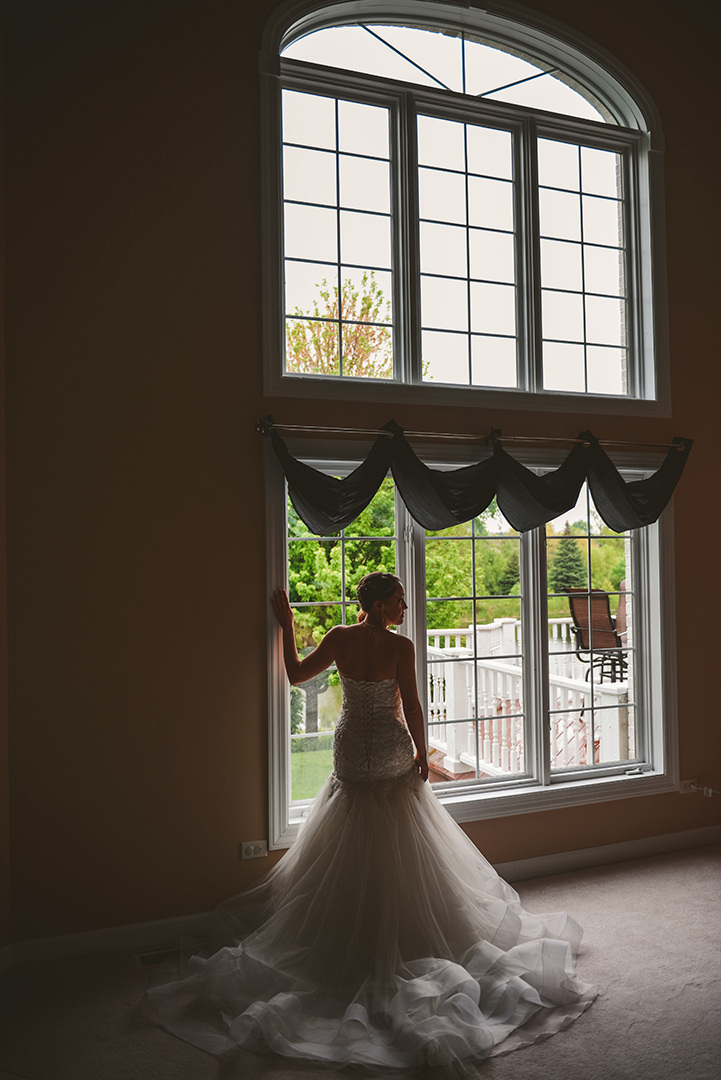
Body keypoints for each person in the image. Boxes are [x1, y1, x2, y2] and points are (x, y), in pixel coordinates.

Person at [148, 572, 596, 1073]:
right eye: (400, 601)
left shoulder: (339, 638)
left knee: (348, 835)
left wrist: (287, 624)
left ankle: (351, 929)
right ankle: (402, 930)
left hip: (350, 752)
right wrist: (422, 755)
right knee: (404, 840)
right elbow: (412, 705)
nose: (405, 608)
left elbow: (296, 675)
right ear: (381, 606)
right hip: (387, 747)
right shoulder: (400, 646)